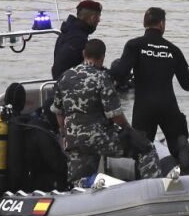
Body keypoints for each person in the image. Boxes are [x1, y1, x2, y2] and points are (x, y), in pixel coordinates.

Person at [51, 39, 162, 186]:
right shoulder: (102, 77)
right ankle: (153, 189)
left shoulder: (64, 76)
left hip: (74, 140)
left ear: (84, 53)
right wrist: (130, 131)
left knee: (78, 181)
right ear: (103, 57)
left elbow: (58, 113)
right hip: (100, 138)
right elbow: (115, 115)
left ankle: (84, 192)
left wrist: (66, 134)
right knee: (146, 149)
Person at [110, 7, 189, 171]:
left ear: (144, 23)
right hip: (168, 105)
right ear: (161, 24)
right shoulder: (173, 50)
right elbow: (187, 85)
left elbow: (120, 73)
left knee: (141, 147)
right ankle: (184, 161)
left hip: (144, 106)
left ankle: (144, 180)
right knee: (176, 139)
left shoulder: (134, 45)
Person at [4, 83, 68, 193]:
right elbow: (58, 164)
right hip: (31, 183)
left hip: (10, 180)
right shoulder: (42, 130)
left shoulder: (12, 123)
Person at [51, 0, 102, 80]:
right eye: (98, 17)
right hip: (69, 84)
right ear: (93, 18)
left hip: (61, 82)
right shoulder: (78, 39)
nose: (99, 20)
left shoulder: (69, 31)